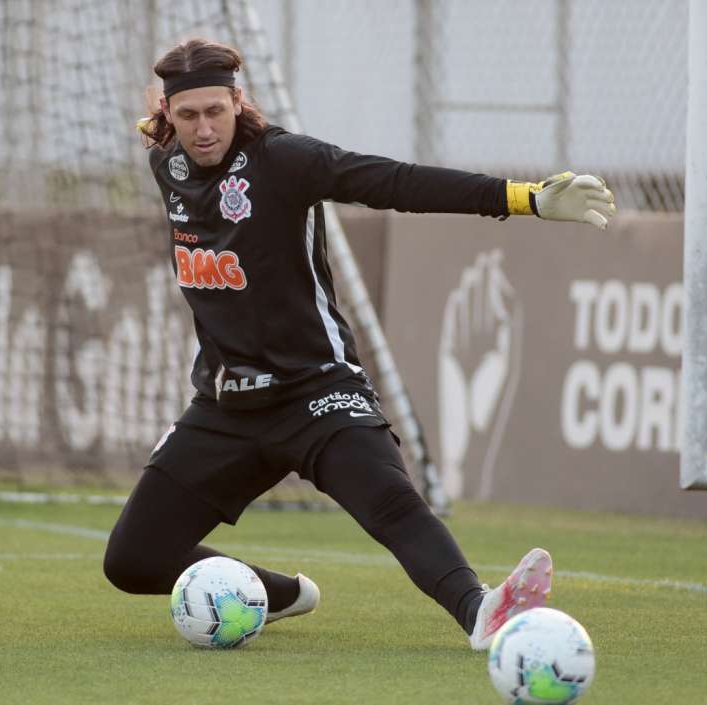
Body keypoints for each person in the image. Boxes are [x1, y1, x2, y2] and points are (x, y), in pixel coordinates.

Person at [103, 38, 615, 650]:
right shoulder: (167, 163)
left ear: (240, 101)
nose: (204, 128)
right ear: (168, 115)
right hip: (226, 406)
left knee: (392, 504)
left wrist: (523, 198)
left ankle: (482, 612)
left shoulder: (285, 160)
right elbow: (157, 133)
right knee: (131, 561)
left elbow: (396, 182)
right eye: (187, 115)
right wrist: (160, 121)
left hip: (316, 391)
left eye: (217, 110)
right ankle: (274, 594)